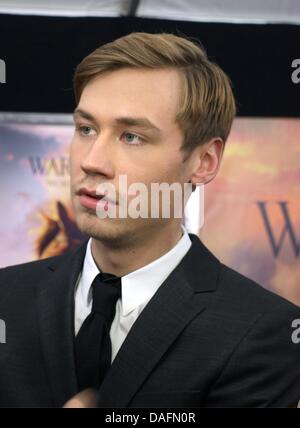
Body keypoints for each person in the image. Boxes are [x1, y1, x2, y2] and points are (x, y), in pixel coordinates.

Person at [0, 32, 299, 408]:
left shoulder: (263, 331)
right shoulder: (5, 300)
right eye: (86, 129)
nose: (91, 160)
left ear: (203, 162)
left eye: (131, 136)